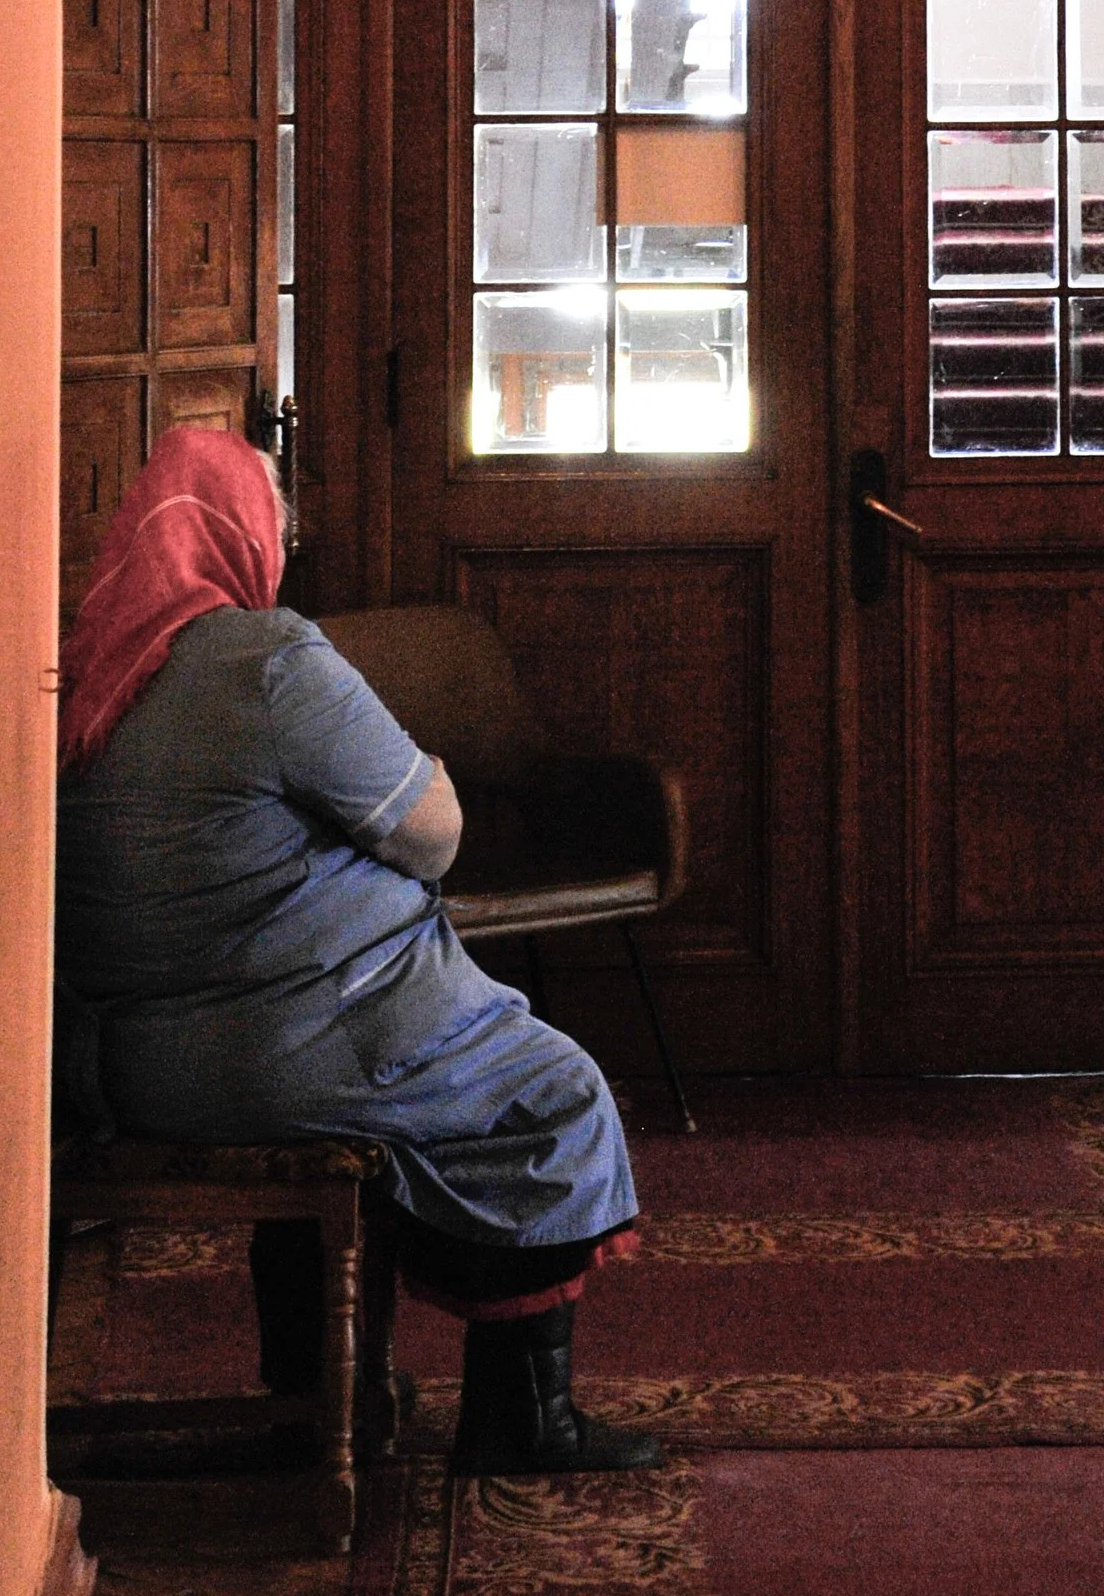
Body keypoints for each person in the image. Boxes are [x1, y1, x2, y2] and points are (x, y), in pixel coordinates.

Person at [54, 426, 657, 1477]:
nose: (288, 529)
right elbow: (433, 832)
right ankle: (525, 1420)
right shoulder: (268, 657)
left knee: (365, 1111)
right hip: (294, 1039)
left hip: (127, 1062)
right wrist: (415, 764)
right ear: (237, 528)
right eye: (274, 504)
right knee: (553, 1091)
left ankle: (316, 1389)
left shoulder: (90, 667)